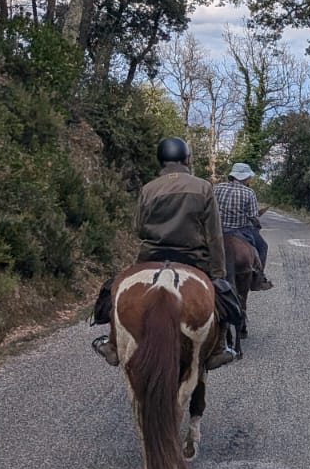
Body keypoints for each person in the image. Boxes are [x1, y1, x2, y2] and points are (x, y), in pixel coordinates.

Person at [91, 137, 240, 370]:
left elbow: (138, 228)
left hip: (152, 256)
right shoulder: (203, 187)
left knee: (113, 290)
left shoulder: (148, 189)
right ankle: (219, 347)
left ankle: (112, 343)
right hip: (193, 258)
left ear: (160, 159)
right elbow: (214, 235)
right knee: (225, 300)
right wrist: (218, 273)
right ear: (186, 158)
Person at [215, 162, 274, 291]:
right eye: (249, 177)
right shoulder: (249, 192)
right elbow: (253, 216)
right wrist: (257, 225)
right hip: (239, 231)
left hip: (218, 230)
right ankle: (258, 279)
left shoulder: (218, 187)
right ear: (245, 177)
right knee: (263, 247)